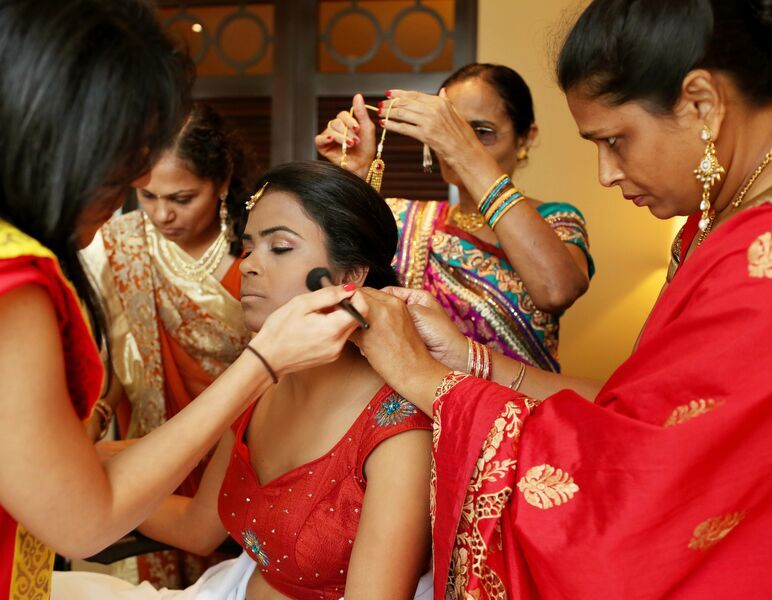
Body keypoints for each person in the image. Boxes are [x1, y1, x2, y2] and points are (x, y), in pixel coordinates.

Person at [0, 2, 368, 598]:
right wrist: (262, 364)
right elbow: (89, 519)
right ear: (45, 128)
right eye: (127, 146)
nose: (138, 181)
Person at [352, 0, 772, 597]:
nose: (605, 172)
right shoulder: (710, 230)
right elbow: (634, 413)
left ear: (703, 103)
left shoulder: (759, 260)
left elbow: (639, 484)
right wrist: (469, 363)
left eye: (615, 140)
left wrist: (427, 382)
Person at [53, 161, 434, 600]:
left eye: (281, 247)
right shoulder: (266, 380)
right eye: (248, 246)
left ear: (350, 277)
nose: (249, 265)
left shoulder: (398, 430)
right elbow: (198, 527)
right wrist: (91, 477)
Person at [316, 63, 594, 372]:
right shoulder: (404, 218)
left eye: (481, 132)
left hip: (514, 413)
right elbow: (336, 284)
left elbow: (556, 290)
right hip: (417, 413)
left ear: (525, 137)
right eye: (448, 128)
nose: (454, 142)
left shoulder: (556, 221)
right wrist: (354, 178)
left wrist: (463, 147)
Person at [81, 103, 253, 587]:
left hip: (245, 454)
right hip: (151, 450)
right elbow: (120, 361)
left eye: (182, 197)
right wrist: (94, 420)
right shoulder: (118, 244)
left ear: (221, 182)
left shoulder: (260, 245)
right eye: (147, 196)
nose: (161, 214)